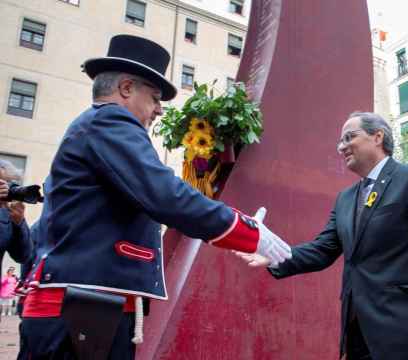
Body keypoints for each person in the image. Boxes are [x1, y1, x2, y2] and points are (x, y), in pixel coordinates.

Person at [18, 34, 291, 360]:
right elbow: (166, 196)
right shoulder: (111, 120)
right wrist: (247, 232)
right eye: (155, 97)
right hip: (82, 310)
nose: (159, 110)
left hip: (86, 305)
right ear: (126, 89)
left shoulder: (93, 128)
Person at [236, 112, 408, 360]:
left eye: (349, 137)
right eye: (340, 141)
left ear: (378, 137)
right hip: (356, 335)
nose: (342, 146)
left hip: (404, 333)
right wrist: (271, 250)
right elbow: (322, 249)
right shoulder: (345, 198)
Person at [0, 160, 32, 273]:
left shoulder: (6, 214)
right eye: (1, 183)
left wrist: (19, 223)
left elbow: (23, 256)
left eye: (9, 183)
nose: (5, 188)